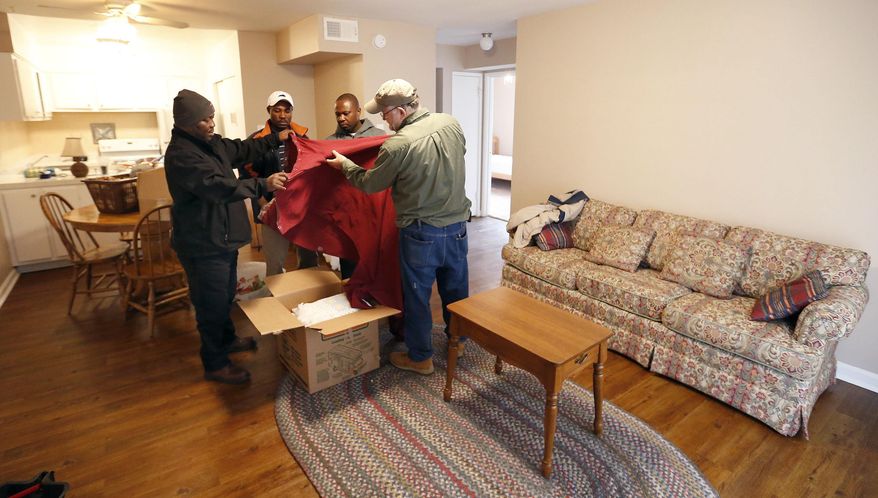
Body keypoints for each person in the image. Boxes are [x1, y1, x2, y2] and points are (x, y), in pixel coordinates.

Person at [326, 79, 471, 375]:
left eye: (385, 113)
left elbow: (371, 184)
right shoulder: (451, 123)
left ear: (402, 111)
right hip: (457, 227)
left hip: (422, 234)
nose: (382, 119)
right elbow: (460, 154)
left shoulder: (398, 144)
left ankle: (421, 358)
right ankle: (459, 340)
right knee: (455, 288)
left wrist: (345, 166)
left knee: (417, 296)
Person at [164, 89, 292, 385]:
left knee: (224, 296)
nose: (211, 123)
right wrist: (263, 184)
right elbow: (219, 187)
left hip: (221, 239)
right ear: (186, 123)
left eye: (211, 117)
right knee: (211, 303)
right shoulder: (183, 155)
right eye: (204, 120)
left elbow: (242, 149)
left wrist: (275, 139)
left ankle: (227, 340)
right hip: (202, 243)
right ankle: (216, 363)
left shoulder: (210, 143)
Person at [240, 90, 316, 276]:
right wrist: (262, 204)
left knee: (309, 260)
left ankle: (306, 297)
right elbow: (246, 177)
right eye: (277, 110)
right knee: (275, 265)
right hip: (271, 206)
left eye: (287, 110)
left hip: (300, 207)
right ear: (269, 110)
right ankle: (278, 302)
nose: (283, 115)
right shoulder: (256, 141)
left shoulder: (302, 137)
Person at [325, 93, 386, 279]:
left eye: (346, 113)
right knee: (349, 261)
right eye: (337, 114)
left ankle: (376, 302)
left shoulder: (378, 137)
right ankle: (351, 298)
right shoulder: (329, 142)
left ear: (358, 111)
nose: (341, 118)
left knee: (375, 259)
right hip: (346, 210)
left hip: (372, 209)